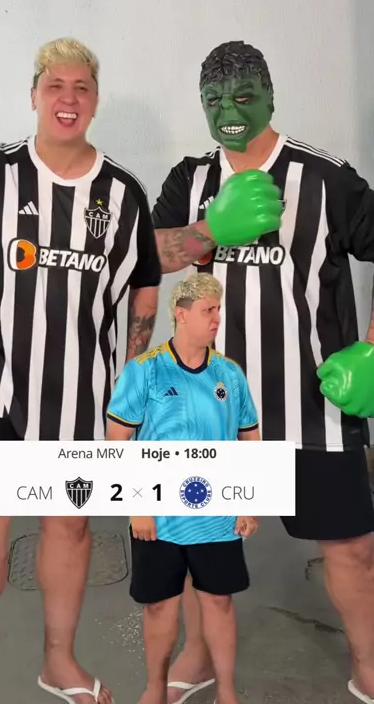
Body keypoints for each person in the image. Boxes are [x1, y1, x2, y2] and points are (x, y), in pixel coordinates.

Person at [0, 37, 161, 704]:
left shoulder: (123, 193)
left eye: (81, 87)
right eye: (55, 85)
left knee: (69, 524)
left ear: (95, 100)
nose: (68, 98)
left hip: (82, 393)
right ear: (34, 95)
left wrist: (134, 373)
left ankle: (59, 661)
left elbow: (145, 285)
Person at [151, 39, 374, 704]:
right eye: (214, 100)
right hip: (208, 408)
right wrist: (208, 231)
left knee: (351, 550)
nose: (229, 112)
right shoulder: (191, 179)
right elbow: (146, 256)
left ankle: (368, 661)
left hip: (313, 406)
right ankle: (198, 652)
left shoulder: (326, 179)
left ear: (271, 96)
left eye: (244, 96)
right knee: (200, 545)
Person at [105, 273, 260, 704]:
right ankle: (155, 689)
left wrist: (249, 501)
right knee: (159, 606)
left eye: (218, 309)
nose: (216, 318)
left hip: (217, 515)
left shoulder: (229, 373)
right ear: (181, 314)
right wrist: (137, 506)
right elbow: (117, 441)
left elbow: (250, 438)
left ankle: (226, 691)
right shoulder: (145, 371)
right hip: (159, 516)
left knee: (219, 602)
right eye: (208, 310)